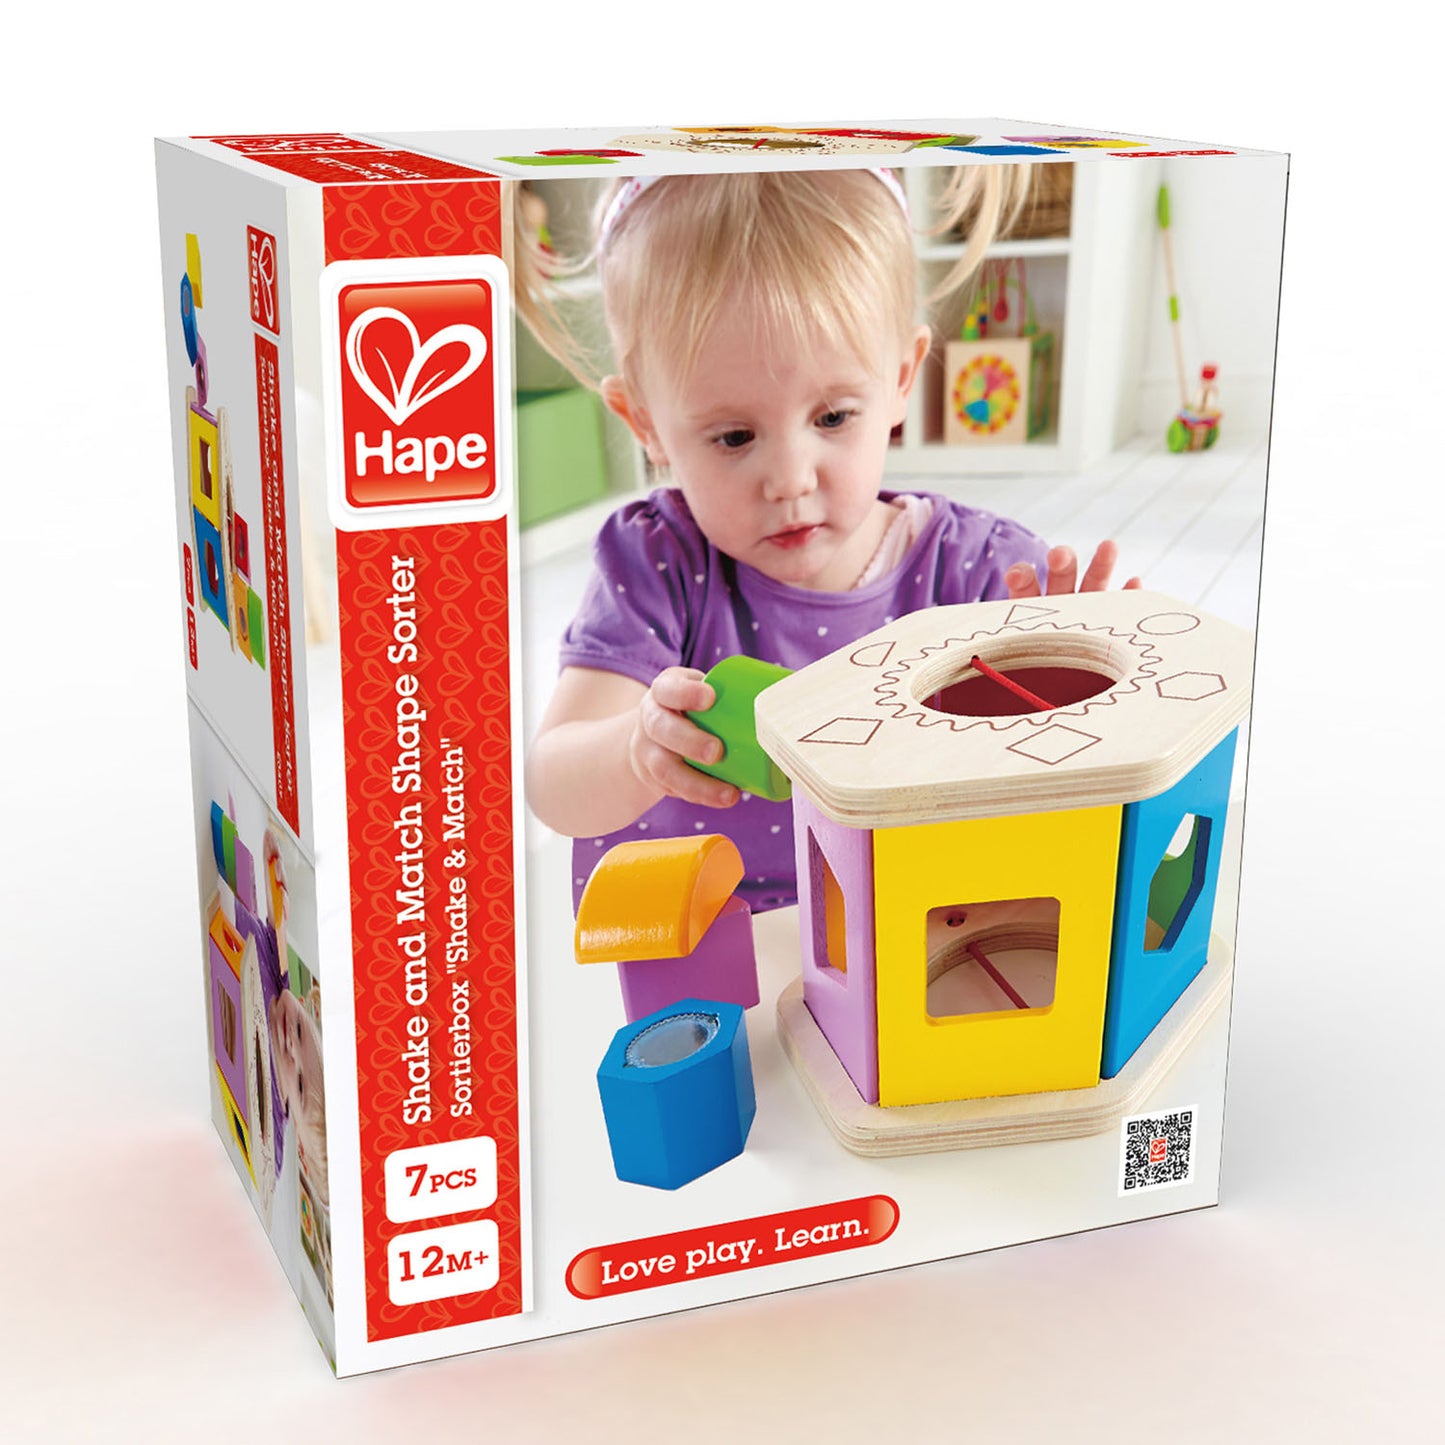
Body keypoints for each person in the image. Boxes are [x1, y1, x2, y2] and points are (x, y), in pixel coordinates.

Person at [519, 166, 1137, 911]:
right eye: (734, 436)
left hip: (923, 928)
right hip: (716, 941)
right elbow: (552, 784)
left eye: (833, 417)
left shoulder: (983, 575)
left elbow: (1078, 793)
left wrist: (1075, 689)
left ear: (901, 378)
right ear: (644, 423)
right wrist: (633, 748)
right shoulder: (659, 562)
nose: (789, 478)